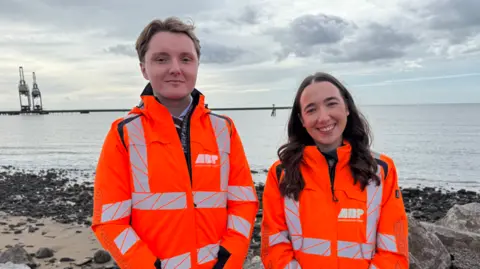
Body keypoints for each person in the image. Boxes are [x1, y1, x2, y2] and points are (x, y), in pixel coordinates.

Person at [91, 17, 259, 269]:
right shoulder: (124, 134)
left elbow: (243, 204)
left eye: (185, 58)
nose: (175, 68)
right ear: (143, 68)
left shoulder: (224, 129)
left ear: (197, 65)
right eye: (161, 59)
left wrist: (229, 258)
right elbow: (110, 222)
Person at [260, 72, 409, 268]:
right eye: (311, 109)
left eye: (331, 103)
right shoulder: (281, 173)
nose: (323, 117)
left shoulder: (381, 170)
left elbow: (394, 251)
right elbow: (273, 246)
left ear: (346, 107)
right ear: (302, 120)